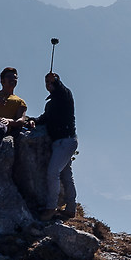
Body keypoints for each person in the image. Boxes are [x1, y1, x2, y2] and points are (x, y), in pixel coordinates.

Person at [40, 71, 77, 212]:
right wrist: (31, 121)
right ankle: (71, 207)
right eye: (47, 83)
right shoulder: (50, 104)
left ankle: (50, 208)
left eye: (50, 83)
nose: (48, 85)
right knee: (66, 174)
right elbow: (44, 119)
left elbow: (61, 89)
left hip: (65, 142)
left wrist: (55, 80)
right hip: (63, 142)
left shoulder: (65, 96)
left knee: (52, 172)